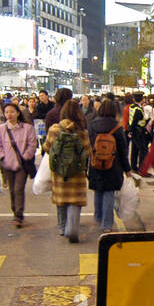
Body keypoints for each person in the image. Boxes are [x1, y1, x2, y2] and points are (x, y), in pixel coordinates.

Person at [46, 100, 90, 242]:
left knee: (61, 200)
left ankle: (62, 227)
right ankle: (72, 228)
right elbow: (87, 151)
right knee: (75, 201)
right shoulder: (82, 131)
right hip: (77, 172)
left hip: (59, 172)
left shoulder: (54, 129)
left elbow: (47, 148)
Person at [87, 96, 131, 233]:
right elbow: (123, 151)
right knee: (108, 193)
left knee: (98, 190)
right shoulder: (117, 128)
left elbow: (88, 144)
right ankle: (106, 225)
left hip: (95, 162)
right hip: (113, 165)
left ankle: (98, 217)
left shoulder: (92, 125)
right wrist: (127, 169)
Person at [0, 100, 38, 228]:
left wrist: (25, 156)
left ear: (18, 113)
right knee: (12, 190)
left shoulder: (27, 128)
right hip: (7, 164)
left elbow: (32, 144)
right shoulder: (1, 129)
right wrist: (2, 157)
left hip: (22, 165)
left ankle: (18, 215)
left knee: (18, 189)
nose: (9, 114)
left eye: (12, 112)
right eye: (7, 112)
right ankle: (15, 211)